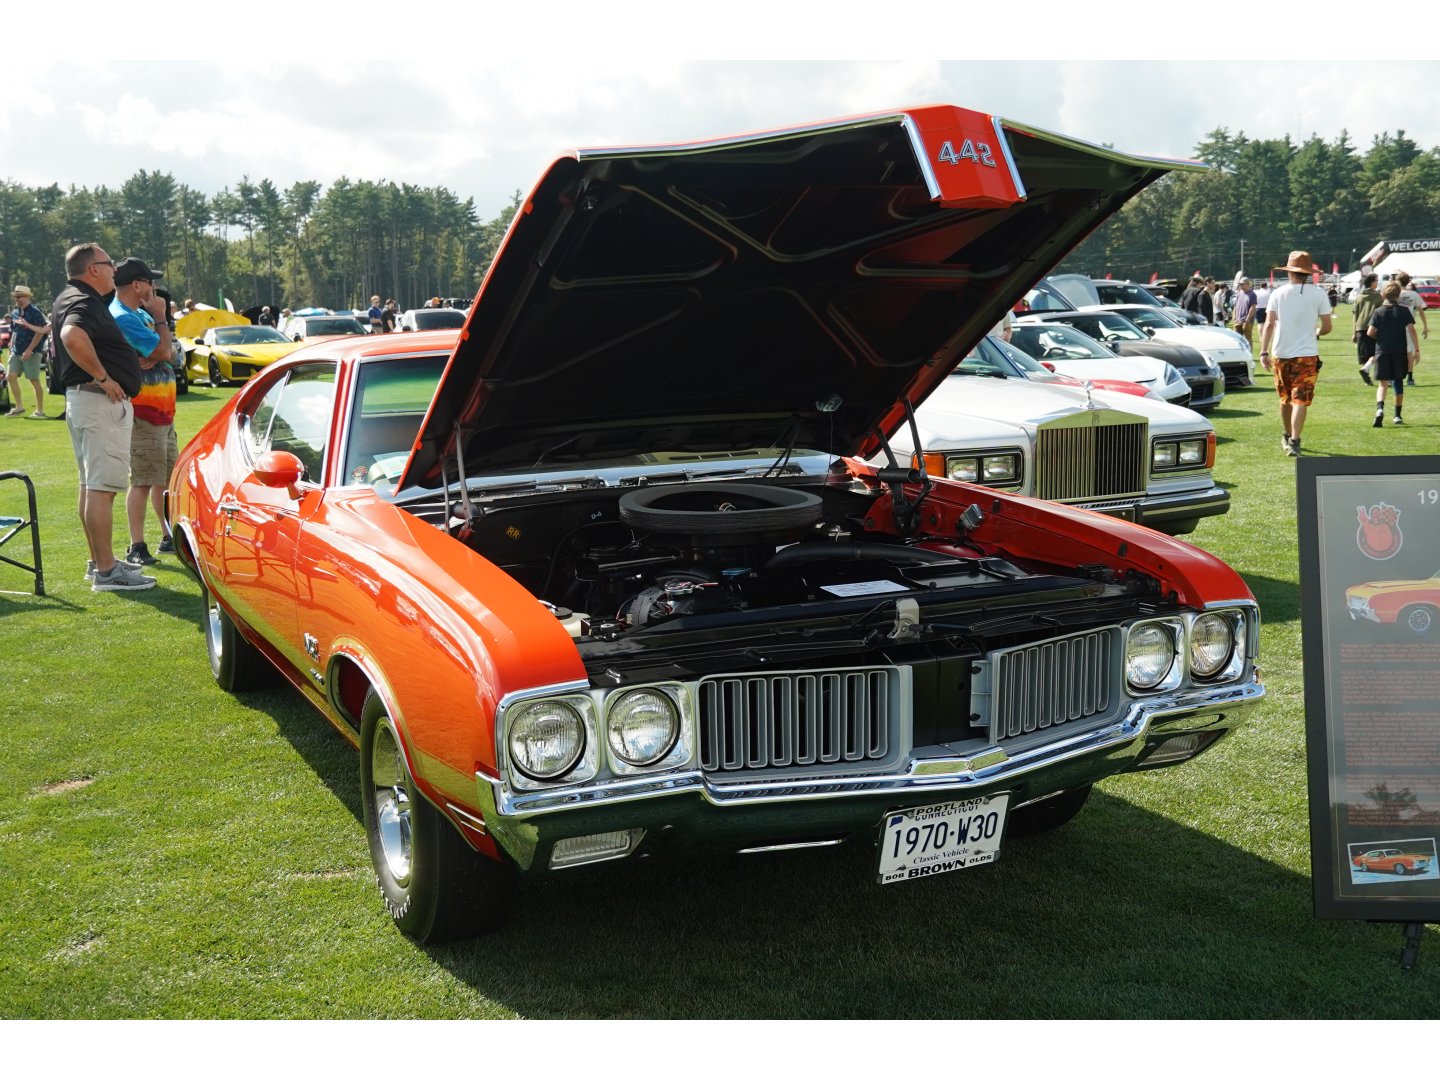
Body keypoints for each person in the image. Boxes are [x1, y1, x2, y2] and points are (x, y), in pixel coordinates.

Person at [50, 243, 154, 591]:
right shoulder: (84, 300)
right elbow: (72, 336)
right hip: (98, 402)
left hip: (85, 401)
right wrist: (104, 378)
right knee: (101, 488)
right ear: (93, 269)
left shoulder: (69, 297)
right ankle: (107, 571)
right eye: (109, 263)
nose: (114, 270)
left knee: (90, 485)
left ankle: (100, 562)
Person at [109, 257, 177, 566]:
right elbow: (164, 350)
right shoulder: (123, 317)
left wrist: (162, 350)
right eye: (150, 281)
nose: (154, 287)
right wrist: (161, 318)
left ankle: (167, 535)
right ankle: (137, 545)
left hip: (162, 412)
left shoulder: (139, 314)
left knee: (164, 478)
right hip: (143, 414)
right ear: (137, 285)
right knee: (143, 480)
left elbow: (172, 354)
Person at [1258, 250, 1333, 458]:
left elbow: (1269, 325)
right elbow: (1327, 327)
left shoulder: (1277, 293)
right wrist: (1316, 332)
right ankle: (1295, 440)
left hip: (1280, 353)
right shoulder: (1319, 294)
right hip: (1307, 355)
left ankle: (1287, 434)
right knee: (1300, 400)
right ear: (1308, 273)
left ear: (1290, 271)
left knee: (1285, 399)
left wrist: (1263, 351)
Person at [1366, 281, 1417, 427]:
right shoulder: (1403, 311)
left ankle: (1379, 409)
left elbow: (1370, 332)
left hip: (1382, 351)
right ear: (1398, 296)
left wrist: (1380, 336)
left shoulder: (1378, 311)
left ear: (1384, 295)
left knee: (1382, 384)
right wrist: (1417, 349)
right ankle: (1397, 415)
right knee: (1398, 381)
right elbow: (1412, 330)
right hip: (1399, 351)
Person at [6, 284, 50, 418]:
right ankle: (19, 407)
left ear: (27, 297)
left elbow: (40, 332)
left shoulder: (35, 312)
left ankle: (40, 411)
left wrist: (29, 349)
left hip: (32, 352)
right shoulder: (15, 312)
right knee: (10, 376)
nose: (16, 299)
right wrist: (11, 346)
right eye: (15, 297)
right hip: (16, 351)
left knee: (34, 380)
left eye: (19, 297)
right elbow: (15, 331)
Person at [1393, 271, 1428, 386]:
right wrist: (1425, 326)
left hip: (1395, 327)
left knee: (1396, 352)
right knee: (1410, 353)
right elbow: (1421, 310)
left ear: (1398, 281)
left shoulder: (1395, 294)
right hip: (1409, 326)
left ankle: (1394, 376)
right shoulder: (1413, 294)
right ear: (1408, 281)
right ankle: (1410, 377)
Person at [1350, 273, 1382, 385]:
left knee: (1365, 355)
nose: (1377, 282)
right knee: (1379, 353)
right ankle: (1370, 372)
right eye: (1376, 280)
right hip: (1373, 328)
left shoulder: (1359, 297)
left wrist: (1354, 332)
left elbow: (1355, 315)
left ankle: (1367, 378)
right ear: (1372, 282)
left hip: (1360, 328)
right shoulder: (1378, 296)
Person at [1231, 277, 1258, 351]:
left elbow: (1253, 307)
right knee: (1237, 338)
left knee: (1247, 338)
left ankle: (1249, 353)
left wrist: (1247, 319)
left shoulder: (1252, 294)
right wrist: (1234, 317)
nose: (1240, 286)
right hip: (1238, 320)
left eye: (1242, 284)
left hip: (1247, 321)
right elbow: (1236, 306)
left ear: (1247, 284)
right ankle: (1240, 353)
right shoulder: (1239, 294)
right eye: (1240, 284)